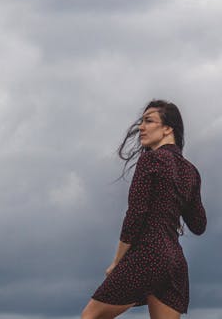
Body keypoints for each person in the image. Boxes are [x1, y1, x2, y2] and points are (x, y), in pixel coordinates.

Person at [81, 100, 207, 319]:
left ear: (168, 128)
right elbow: (198, 225)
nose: (141, 127)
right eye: (141, 121)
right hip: (175, 263)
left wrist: (117, 262)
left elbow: (135, 215)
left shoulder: (151, 159)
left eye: (149, 121)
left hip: (147, 255)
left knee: (90, 317)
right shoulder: (190, 171)